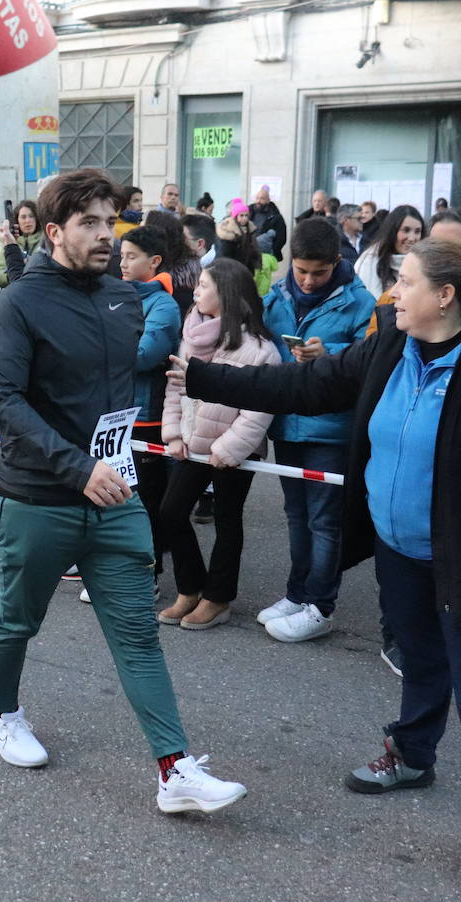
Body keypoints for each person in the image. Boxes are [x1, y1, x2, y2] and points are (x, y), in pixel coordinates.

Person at [172, 238, 461, 902]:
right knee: (420, 660)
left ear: (445, 297)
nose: (392, 292)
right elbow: (308, 383)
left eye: (405, 281)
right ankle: (414, 755)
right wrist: (206, 375)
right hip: (401, 549)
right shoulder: (391, 342)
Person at [0, 168, 247, 814]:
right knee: (19, 620)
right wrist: (77, 468)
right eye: (90, 224)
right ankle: (2, 715)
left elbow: (137, 382)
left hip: (116, 493)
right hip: (39, 497)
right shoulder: (20, 303)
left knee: (136, 632)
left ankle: (173, 767)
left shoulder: (123, 297)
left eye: (111, 222)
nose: (107, 235)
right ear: (53, 232)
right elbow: (4, 402)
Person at [258, 217, 378, 647]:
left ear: (337, 262)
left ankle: (320, 606)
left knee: (325, 520)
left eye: (319, 273)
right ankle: (296, 594)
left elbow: (376, 356)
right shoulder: (275, 296)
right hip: (287, 421)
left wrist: (333, 354)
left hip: (332, 429)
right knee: (296, 516)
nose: (308, 281)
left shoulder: (362, 302)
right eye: (301, 271)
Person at [158, 258, 279, 629]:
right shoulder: (192, 334)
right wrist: (174, 434)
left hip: (233, 453)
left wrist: (227, 450)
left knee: (228, 519)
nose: (195, 291)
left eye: (204, 285)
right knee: (170, 513)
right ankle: (190, 588)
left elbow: (258, 410)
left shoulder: (261, 349)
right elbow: (175, 388)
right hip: (192, 444)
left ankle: (218, 598)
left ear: (226, 293)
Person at [117, 225, 181, 600]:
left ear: (154, 261)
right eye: (121, 255)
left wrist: (101, 344)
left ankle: (148, 576)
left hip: (147, 416)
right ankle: (119, 568)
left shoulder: (164, 305)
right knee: (117, 496)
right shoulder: (117, 294)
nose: (122, 263)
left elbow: (143, 356)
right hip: (115, 412)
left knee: (145, 503)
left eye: (130, 256)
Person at [355, 205, 425, 300]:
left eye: (417, 231)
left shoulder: (424, 263)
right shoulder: (369, 261)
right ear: (392, 231)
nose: (412, 238)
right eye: (406, 230)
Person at [0, 200, 42, 289]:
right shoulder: (8, 240)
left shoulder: (45, 240)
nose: (28, 221)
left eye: (31, 216)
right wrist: (14, 274)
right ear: (17, 220)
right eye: (23, 217)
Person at [249, 185, 288, 262]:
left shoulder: (276, 217)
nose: (258, 201)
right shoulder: (248, 212)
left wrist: (271, 250)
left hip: (267, 255)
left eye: (262, 199)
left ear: (268, 200)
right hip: (249, 252)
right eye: (257, 198)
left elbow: (281, 238)